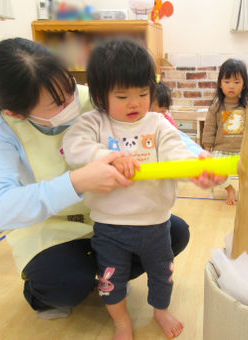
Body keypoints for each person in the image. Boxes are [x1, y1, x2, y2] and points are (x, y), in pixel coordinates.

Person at [0, 38, 209, 320]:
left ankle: (108, 278)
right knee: (63, 284)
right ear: (16, 113)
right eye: (57, 102)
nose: (72, 102)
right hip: (51, 230)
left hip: (111, 216)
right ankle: (72, 284)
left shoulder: (100, 95)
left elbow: (161, 132)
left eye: (71, 87)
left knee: (175, 232)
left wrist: (199, 162)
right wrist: (77, 182)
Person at [62, 38, 223, 340]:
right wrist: (106, 157)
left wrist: (195, 170)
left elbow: (177, 151)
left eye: (142, 93)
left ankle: (160, 311)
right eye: (122, 96)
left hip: (155, 226)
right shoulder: (93, 124)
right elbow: (73, 147)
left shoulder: (158, 124)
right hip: (110, 228)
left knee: (163, 276)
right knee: (111, 281)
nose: (134, 103)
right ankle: (122, 321)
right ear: (99, 95)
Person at [202, 59, 248, 205]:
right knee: (213, 168)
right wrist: (207, 149)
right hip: (221, 150)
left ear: (243, 85)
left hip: (242, 151)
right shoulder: (216, 107)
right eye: (227, 81)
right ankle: (229, 189)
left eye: (237, 82)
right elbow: (209, 128)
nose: (231, 86)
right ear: (220, 83)